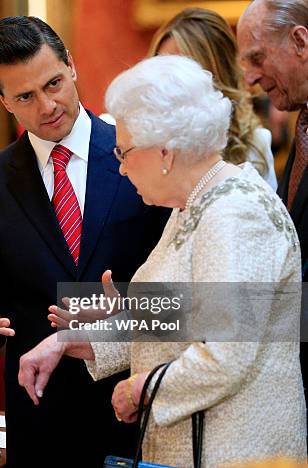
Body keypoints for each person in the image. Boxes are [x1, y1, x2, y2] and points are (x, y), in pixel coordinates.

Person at [18, 55, 307, 466]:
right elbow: (178, 315)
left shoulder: (235, 213)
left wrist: (140, 390)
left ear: (166, 151)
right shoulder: (193, 204)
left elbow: (227, 353)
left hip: (237, 452)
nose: (120, 169)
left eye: (124, 152)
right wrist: (72, 342)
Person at [0, 16, 168, 467]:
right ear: (1, 99)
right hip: (40, 419)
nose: (47, 105)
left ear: (71, 66)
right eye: (25, 96)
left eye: (53, 83)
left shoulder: (143, 155)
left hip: (134, 406)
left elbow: (181, 293)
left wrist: (103, 317)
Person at [237, 0, 308, 429]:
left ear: (300, 41)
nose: (249, 77)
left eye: (257, 57)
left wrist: (147, 316)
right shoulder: (301, 127)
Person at [149, 7, 277, 189]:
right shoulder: (133, 143)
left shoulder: (255, 144)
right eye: (162, 69)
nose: (168, 85)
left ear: (217, 78)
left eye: (183, 73)